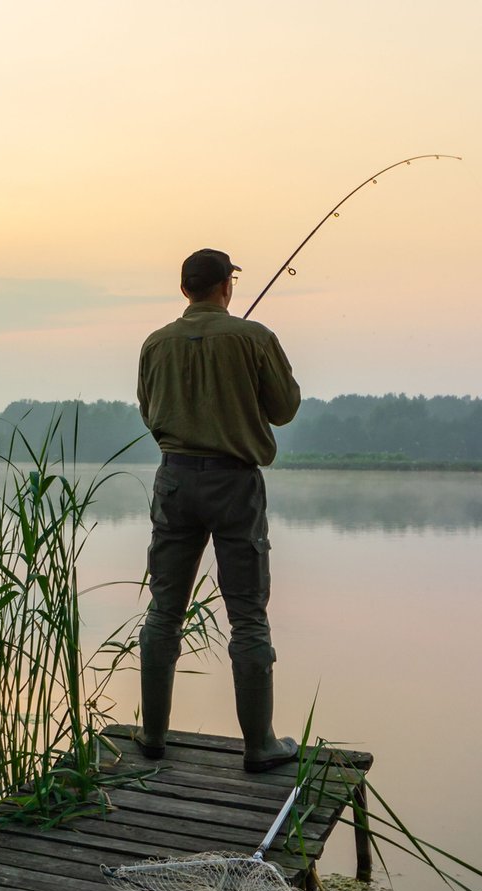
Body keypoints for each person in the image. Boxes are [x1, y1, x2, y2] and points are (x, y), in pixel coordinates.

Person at [135, 248, 303, 772]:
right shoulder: (254, 339)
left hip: (175, 481)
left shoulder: (154, 343)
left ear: (185, 289)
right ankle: (260, 746)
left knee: (164, 610)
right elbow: (285, 408)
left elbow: (149, 411)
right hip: (235, 485)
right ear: (226, 286)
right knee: (248, 617)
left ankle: (153, 737)